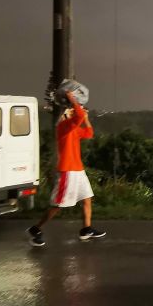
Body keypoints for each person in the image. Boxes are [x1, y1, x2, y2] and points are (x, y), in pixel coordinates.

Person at [27, 91, 105, 247]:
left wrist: (87, 118)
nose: (71, 111)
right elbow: (79, 115)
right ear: (64, 115)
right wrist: (72, 99)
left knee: (87, 198)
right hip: (68, 171)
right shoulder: (63, 127)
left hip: (78, 170)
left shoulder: (73, 130)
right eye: (68, 111)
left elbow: (89, 133)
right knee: (58, 205)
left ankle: (86, 229)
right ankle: (36, 229)